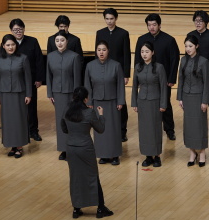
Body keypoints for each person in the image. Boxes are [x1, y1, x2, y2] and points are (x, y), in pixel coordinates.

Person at [61, 87, 113, 219]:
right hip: (85, 148)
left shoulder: (67, 110)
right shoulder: (89, 112)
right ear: (86, 99)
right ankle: (100, 208)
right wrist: (101, 115)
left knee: (75, 178)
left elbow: (64, 128)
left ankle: (76, 209)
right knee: (93, 176)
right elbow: (100, 129)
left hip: (71, 148)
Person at [134, 14, 180, 140]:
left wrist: (171, 78)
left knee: (165, 104)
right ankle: (151, 128)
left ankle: (169, 130)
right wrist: (138, 77)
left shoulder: (169, 40)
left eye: (154, 25)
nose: (152, 27)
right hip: (147, 79)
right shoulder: (141, 39)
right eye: (149, 25)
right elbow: (137, 60)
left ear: (159, 25)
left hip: (164, 80)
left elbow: (174, 60)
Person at [84, 41, 125, 165]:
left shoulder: (116, 65)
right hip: (97, 102)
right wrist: (89, 101)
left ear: (108, 51)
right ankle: (102, 155)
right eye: (99, 50)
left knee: (113, 129)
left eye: (104, 50)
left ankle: (115, 155)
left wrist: (120, 101)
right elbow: (87, 85)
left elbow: (120, 85)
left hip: (113, 102)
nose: (101, 52)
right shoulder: (90, 66)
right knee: (100, 129)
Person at [0, 34, 32, 158]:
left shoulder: (23, 58)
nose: (10, 47)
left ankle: (19, 146)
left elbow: (28, 78)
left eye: (13, 44)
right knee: (8, 120)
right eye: (8, 45)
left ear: (16, 45)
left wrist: (28, 94)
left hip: (19, 93)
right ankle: (12, 146)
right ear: (3, 46)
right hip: (4, 94)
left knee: (19, 120)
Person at [95, 8, 131, 142]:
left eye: (111, 19)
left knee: (121, 101)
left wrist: (126, 74)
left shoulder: (123, 33)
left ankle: (122, 131)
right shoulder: (100, 33)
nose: (109, 21)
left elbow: (126, 54)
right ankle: (106, 127)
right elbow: (97, 53)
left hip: (118, 72)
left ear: (116, 19)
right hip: (103, 71)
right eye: (107, 19)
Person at [186, 10, 209, 143]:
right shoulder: (190, 35)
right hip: (195, 77)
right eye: (196, 21)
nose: (198, 23)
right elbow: (187, 56)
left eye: (200, 21)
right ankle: (198, 131)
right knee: (196, 106)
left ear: (206, 22)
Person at [131, 42, 167, 167]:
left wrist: (163, 104)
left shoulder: (159, 67)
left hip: (155, 101)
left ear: (152, 52)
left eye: (147, 51)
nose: (144, 54)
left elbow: (163, 87)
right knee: (144, 129)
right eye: (142, 52)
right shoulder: (138, 67)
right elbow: (134, 86)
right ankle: (147, 156)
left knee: (155, 128)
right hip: (142, 101)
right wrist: (134, 102)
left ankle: (157, 156)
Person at [47, 30, 82, 161]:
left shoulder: (74, 56)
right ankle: (63, 149)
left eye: (62, 40)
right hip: (57, 93)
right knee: (60, 121)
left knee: (72, 121)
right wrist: (50, 93)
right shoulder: (50, 56)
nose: (60, 43)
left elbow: (77, 78)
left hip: (71, 94)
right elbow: (48, 76)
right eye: (57, 41)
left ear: (67, 41)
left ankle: (73, 148)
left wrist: (76, 97)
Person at [177, 35, 209, 167]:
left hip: (198, 97)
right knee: (189, 126)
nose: (188, 49)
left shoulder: (203, 61)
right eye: (186, 46)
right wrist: (180, 97)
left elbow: (206, 82)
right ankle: (192, 152)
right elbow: (181, 79)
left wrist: (205, 101)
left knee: (199, 125)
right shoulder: (183, 60)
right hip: (187, 96)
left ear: (196, 46)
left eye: (190, 46)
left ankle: (201, 153)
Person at [10, 18, 43, 141]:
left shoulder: (32, 41)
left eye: (20, 29)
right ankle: (20, 131)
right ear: (11, 31)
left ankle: (33, 131)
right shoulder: (9, 43)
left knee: (32, 107)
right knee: (17, 107)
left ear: (24, 29)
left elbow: (39, 60)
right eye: (15, 30)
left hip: (31, 80)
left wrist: (39, 78)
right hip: (15, 81)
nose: (18, 32)